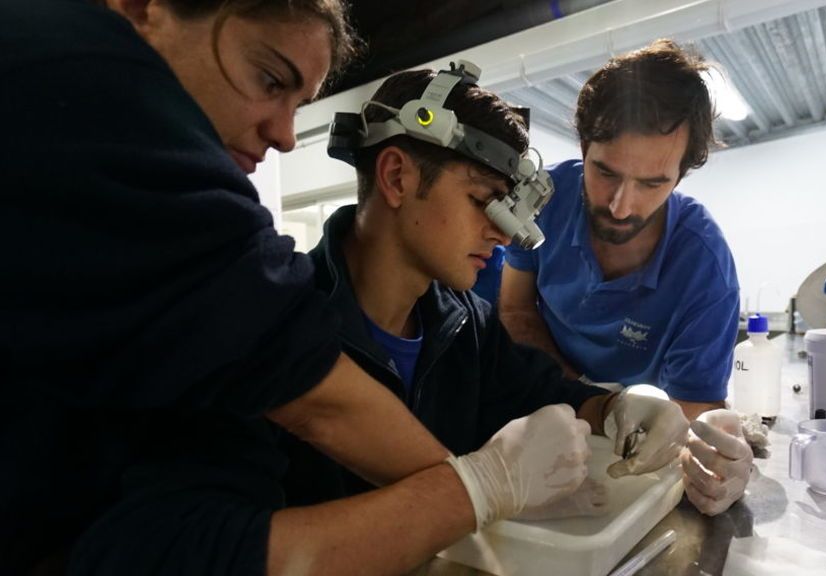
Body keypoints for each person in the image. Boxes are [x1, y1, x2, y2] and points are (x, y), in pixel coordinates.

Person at [1, 1, 591, 574]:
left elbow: (533, 394)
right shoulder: (242, 311)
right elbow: (184, 532)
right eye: (268, 77)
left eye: (299, 102)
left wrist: (616, 409)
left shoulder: (465, 323)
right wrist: (478, 492)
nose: (285, 136)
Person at [294, 64, 693, 509]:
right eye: (484, 200)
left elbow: (547, 394)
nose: (503, 235)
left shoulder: (466, 324)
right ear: (396, 177)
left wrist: (618, 410)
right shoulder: (283, 323)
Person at [500, 40, 754, 516]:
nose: (621, 206)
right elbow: (514, 308)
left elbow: (693, 411)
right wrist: (584, 399)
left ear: (681, 176)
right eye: (604, 172)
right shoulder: (545, 202)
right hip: (544, 404)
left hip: (632, 446)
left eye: (652, 184)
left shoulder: (704, 267)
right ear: (583, 148)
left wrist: (714, 460)